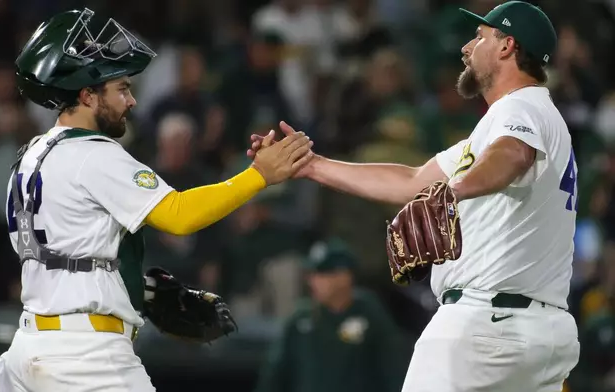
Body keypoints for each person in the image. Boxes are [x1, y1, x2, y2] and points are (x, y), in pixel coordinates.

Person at [248, 2, 581, 391]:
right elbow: (412, 180)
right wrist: (312, 166)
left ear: (507, 46)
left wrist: (452, 193)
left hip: (486, 327)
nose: (466, 48)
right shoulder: (526, 119)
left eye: (479, 37)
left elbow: (512, 156)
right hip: (545, 331)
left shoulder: (521, 108)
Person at [0, 8, 313, 392]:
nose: (131, 101)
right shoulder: (94, 153)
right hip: (84, 358)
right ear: (87, 94)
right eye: (122, 88)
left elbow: (65, 252)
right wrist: (260, 175)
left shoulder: (29, 155)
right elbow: (179, 215)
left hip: (29, 347)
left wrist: (134, 289)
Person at [253, 237, 407, 392]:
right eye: (312, 275)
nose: (313, 281)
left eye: (322, 274)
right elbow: (273, 376)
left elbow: (394, 371)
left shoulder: (369, 313)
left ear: (344, 277)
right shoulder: (300, 319)